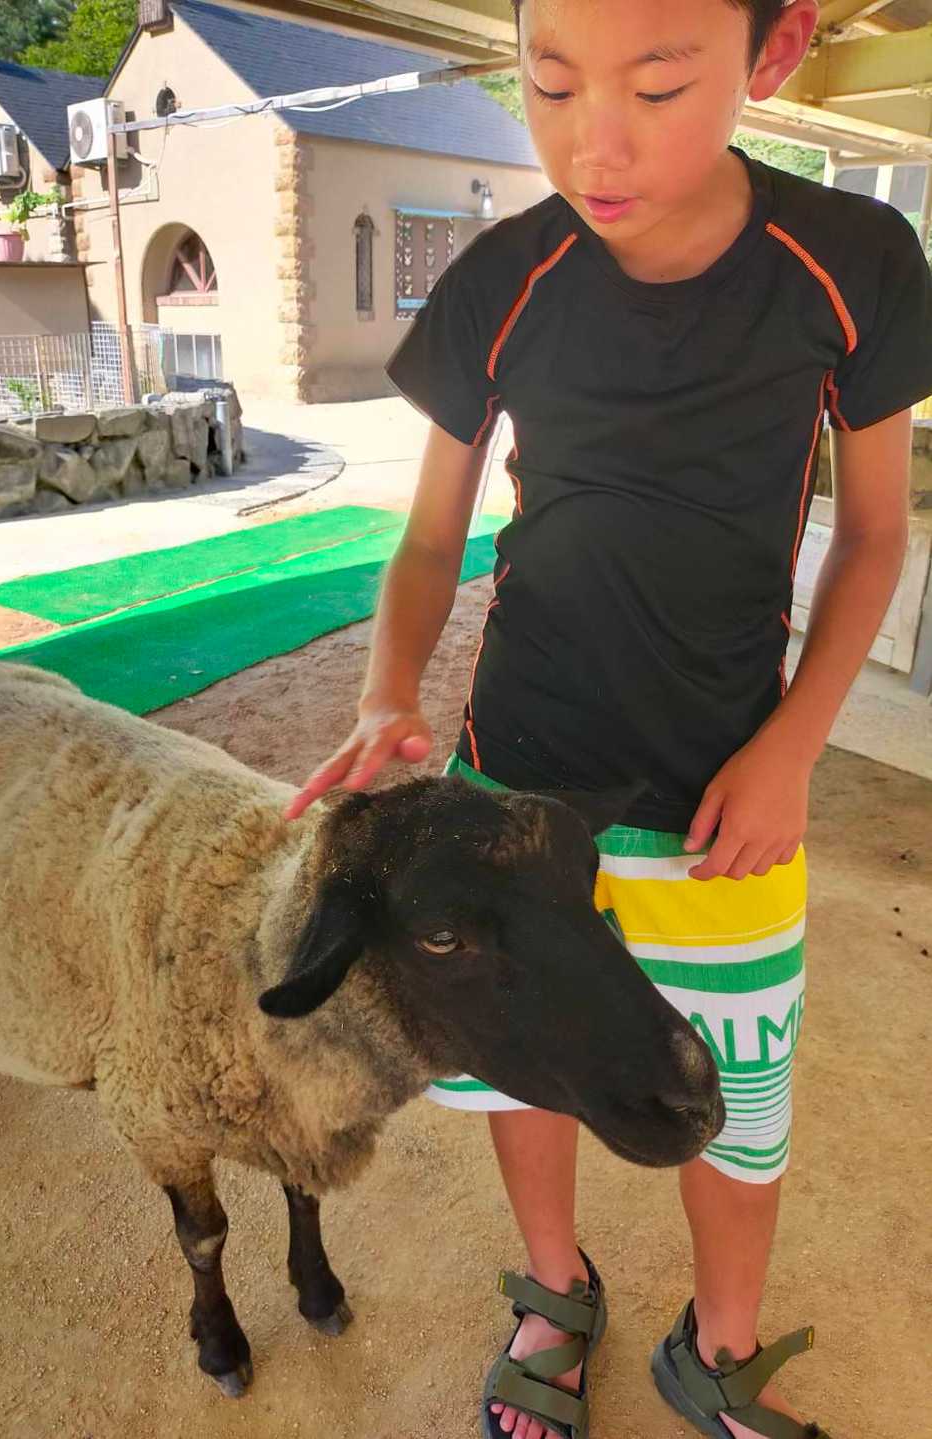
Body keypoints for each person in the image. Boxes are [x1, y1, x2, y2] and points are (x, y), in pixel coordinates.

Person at [286, 1, 932, 1434]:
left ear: (774, 54)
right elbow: (429, 539)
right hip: (518, 776)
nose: (596, 145)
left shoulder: (855, 261)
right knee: (530, 1054)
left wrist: (791, 748)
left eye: (656, 85)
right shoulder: (502, 279)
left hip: (727, 792)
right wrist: (389, 691)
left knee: (736, 1093)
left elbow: (876, 534)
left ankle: (722, 1341)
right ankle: (554, 1288)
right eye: (553, 84)